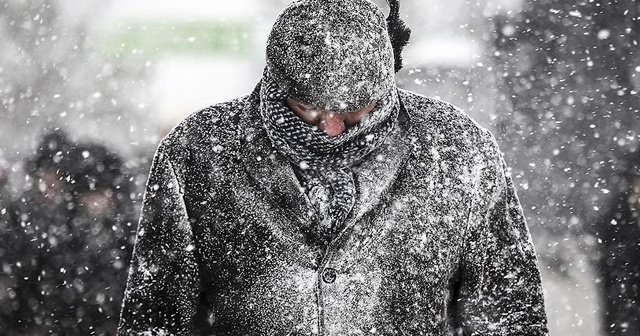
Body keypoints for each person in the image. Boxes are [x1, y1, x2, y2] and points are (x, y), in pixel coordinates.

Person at [118, 0, 548, 335]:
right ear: (275, 83)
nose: (331, 128)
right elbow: (154, 318)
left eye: (356, 111)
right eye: (307, 108)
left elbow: (508, 314)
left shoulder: (459, 154)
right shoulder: (198, 153)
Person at [4, 131, 136, 335]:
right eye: (89, 193)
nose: (95, 202)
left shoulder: (129, 236)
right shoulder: (59, 234)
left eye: (101, 192)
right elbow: (35, 290)